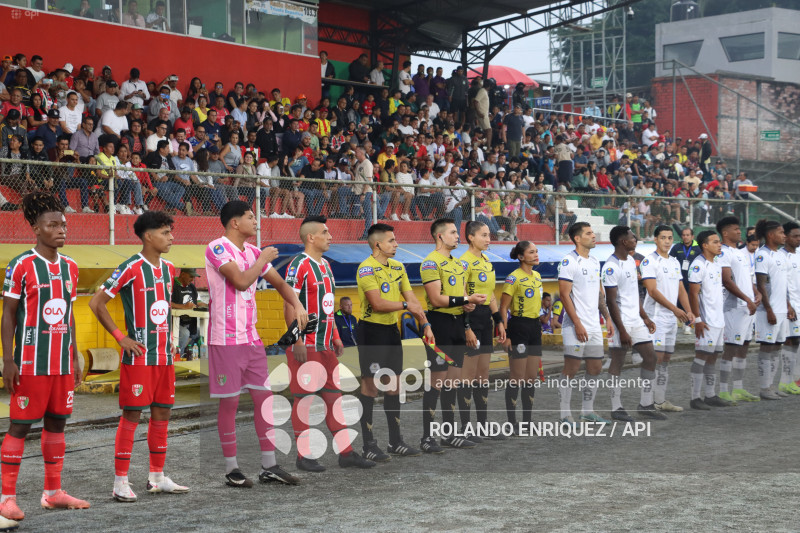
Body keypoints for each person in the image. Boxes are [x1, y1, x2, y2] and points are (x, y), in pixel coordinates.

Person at [0, 193, 88, 527]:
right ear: (36, 229)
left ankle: (53, 492)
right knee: (20, 425)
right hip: (30, 361)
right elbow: (8, 315)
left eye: (63, 224)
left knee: (57, 423)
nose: (61, 229)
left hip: (62, 364)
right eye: (52, 224)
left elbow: (69, 314)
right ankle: (7, 499)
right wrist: (7, 360)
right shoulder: (20, 264)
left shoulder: (71, 267)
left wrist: (75, 354)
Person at [89, 211, 190, 502]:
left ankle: (157, 477)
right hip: (139, 359)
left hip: (164, 358)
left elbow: (162, 309)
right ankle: (120, 481)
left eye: (171, 232)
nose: (171, 237)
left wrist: (170, 340)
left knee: (162, 415)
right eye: (165, 232)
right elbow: (97, 303)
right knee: (132, 415)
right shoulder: (130, 267)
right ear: (148, 236)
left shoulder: (170, 268)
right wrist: (121, 338)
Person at [205, 201, 305, 487]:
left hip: (251, 340)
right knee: (231, 403)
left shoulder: (251, 251)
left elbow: (280, 283)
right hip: (225, 340)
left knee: (264, 402)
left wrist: (297, 304)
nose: (256, 221)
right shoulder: (218, 247)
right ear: (235, 223)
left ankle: (269, 465)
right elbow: (239, 280)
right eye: (250, 217)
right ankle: (232, 469)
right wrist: (261, 260)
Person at [284, 216, 376, 472]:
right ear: (311, 237)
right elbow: (289, 303)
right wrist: (297, 339)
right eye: (325, 232)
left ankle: (345, 453)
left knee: (335, 399)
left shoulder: (325, 265)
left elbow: (327, 307)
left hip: (325, 346)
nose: (330, 236)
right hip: (306, 345)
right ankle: (303, 457)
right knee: (303, 400)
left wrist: (335, 335)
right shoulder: (298, 265)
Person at [355, 223, 430, 460]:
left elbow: (412, 299)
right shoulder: (366, 269)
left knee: (394, 386)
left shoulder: (398, 267)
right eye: (391, 241)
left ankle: (395, 441)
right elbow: (377, 304)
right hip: (371, 332)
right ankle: (368, 445)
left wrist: (426, 325)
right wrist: (407, 306)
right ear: (378, 244)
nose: (396, 244)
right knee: (370, 386)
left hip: (391, 331)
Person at [419, 219, 486, 452]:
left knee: (452, 383)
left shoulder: (459, 264)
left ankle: (449, 434)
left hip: (457, 325)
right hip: (439, 324)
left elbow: (464, 298)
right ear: (439, 236)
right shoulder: (429, 263)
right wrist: (467, 300)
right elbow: (437, 299)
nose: (458, 236)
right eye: (453, 232)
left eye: (457, 232)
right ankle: (427, 438)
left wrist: (467, 318)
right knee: (436, 383)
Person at [602, 226, 666, 421]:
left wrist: (644, 316)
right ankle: (616, 407)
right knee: (618, 361)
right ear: (623, 241)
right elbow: (611, 301)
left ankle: (646, 404)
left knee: (650, 357)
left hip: (635, 320)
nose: (634, 238)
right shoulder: (610, 267)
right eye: (631, 236)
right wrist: (621, 330)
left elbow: (633, 292)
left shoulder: (630, 260)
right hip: (620, 321)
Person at [556, 222, 614, 425]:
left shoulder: (594, 260)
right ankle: (565, 414)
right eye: (589, 233)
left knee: (595, 367)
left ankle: (587, 411)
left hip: (594, 325)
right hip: (574, 325)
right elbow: (564, 295)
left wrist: (606, 317)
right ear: (577, 238)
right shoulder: (568, 261)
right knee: (571, 369)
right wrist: (577, 323)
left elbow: (599, 293)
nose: (594, 235)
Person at [460, 222, 507, 437]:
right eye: (484, 235)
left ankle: (482, 424)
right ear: (470, 237)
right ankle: (465, 427)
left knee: (483, 375)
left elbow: (492, 296)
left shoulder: (487, 261)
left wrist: (498, 321)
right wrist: (467, 327)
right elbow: (461, 299)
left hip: (485, 321)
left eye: (489, 235)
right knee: (468, 375)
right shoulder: (463, 263)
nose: (489, 239)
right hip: (470, 321)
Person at [640, 225, 694, 412]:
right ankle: (646, 402)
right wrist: (675, 309)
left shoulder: (674, 261)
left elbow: (680, 289)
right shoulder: (649, 261)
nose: (667, 241)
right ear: (655, 239)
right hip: (656, 318)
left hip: (672, 318)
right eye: (663, 237)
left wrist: (688, 311)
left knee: (666, 360)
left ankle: (660, 400)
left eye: (670, 238)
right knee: (654, 359)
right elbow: (652, 291)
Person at [499, 239, 546, 431]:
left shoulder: (537, 276)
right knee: (516, 377)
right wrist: (506, 334)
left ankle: (527, 421)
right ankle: (512, 422)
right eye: (531, 252)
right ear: (521, 256)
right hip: (518, 327)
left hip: (534, 328)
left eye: (536, 251)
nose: (535, 255)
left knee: (530, 377)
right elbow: (503, 308)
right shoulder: (513, 278)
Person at [716, 216, 761, 403]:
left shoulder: (741, 252)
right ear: (725, 233)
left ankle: (739, 388)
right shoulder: (724, 252)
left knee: (744, 346)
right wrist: (746, 299)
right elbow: (727, 280)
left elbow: (747, 278)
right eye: (735, 229)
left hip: (748, 306)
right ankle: (723, 390)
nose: (739, 231)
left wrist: (756, 293)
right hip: (734, 306)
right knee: (731, 347)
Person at [687, 230, 731, 410]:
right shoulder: (698, 264)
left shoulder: (716, 264)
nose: (719, 244)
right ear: (704, 245)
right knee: (701, 357)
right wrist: (697, 319)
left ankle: (710, 394)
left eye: (719, 242)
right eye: (715, 242)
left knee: (713, 357)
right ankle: (694, 397)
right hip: (706, 321)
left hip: (718, 320)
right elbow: (693, 293)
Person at [753, 219, 792, 401]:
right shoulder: (762, 255)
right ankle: (764, 387)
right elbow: (761, 285)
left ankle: (771, 386)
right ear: (771, 235)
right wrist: (768, 309)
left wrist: (788, 305)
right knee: (767, 347)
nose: (784, 235)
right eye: (781, 232)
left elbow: (781, 285)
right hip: (769, 311)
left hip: (782, 309)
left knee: (777, 347)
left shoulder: (781, 255)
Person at [669, 227, 701, 335]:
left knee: (690, 302)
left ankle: (688, 324)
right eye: (683, 235)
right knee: (679, 302)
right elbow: (670, 261)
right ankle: (681, 321)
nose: (685, 237)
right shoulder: (676, 247)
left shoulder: (698, 248)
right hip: (679, 280)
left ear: (692, 236)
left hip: (693, 280)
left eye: (688, 235)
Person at [781, 222, 800, 395]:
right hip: (791, 306)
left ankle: (795, 379)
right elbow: (780, 285)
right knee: (791, 341)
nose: (798, 239)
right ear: (785, 236)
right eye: (795, 236)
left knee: (797, 342)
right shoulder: (781, 256)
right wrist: (787, 305)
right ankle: (785, 381)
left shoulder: (799, 253)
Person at [171, 268, 200, 357]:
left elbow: (196, 301)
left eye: (194, 277)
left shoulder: (192, 287)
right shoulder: (172, 285)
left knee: (197, 332)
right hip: (173, 322)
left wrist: (205, 304)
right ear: (183, 274)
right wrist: (184, 307)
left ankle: (186, 353)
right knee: (185, 334)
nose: (192, 279)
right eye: (191, 276)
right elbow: (166, 301)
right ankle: (177, 356)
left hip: (190, 321)